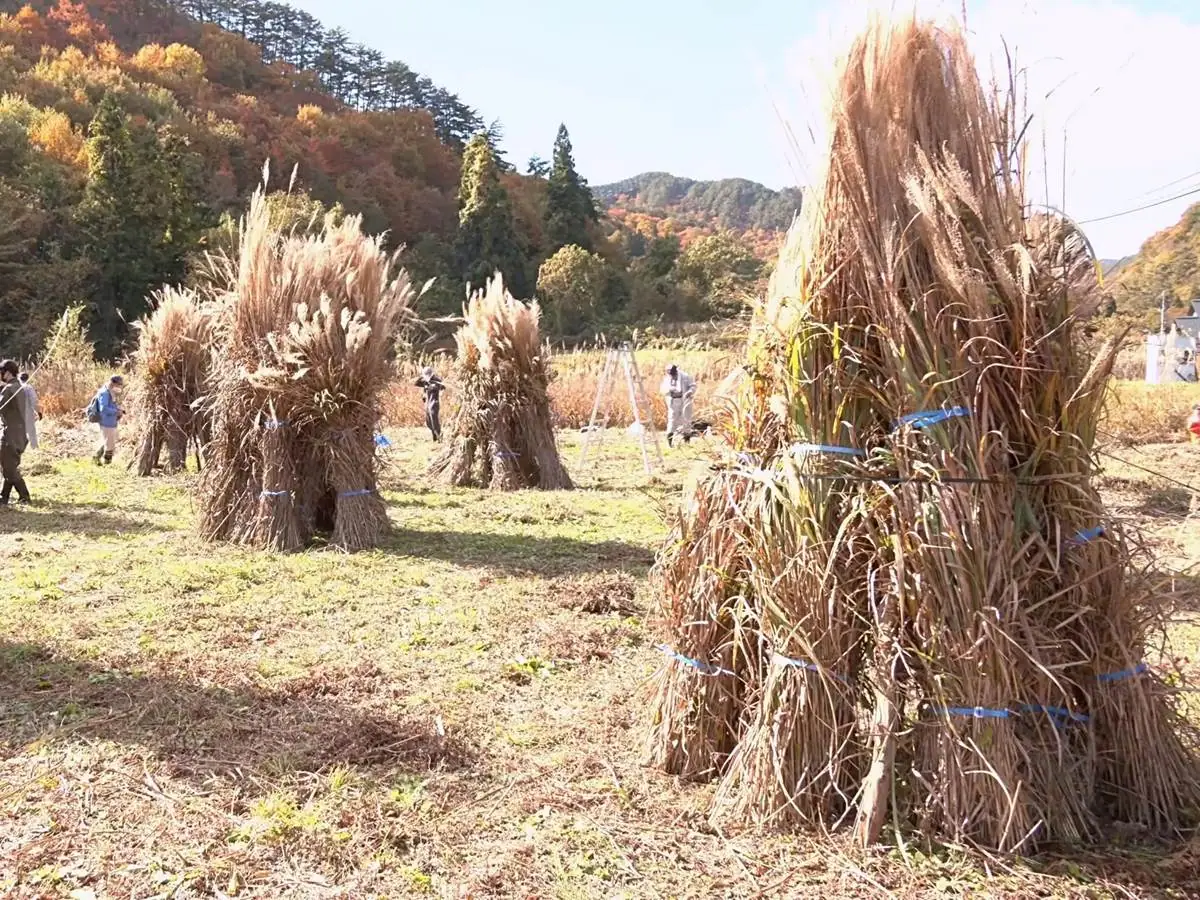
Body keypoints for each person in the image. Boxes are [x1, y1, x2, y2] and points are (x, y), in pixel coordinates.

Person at [0, 359, 31, 505]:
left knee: (8, 467)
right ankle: (4, 497)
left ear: (6, 373)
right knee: (10, 465)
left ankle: (24, 496)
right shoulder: (21, 387)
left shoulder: (9, 389)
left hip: (10, 434)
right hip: (20, 433)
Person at [88, 374, 124, 465]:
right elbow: (103, 408)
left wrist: (119, 409)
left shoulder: (110, 392)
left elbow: (110, 406)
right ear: (113, 383)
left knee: (108, 441)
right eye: (118, 384)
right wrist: (116, 411)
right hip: (106, 421)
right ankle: (107, 463)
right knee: (110, 444)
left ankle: (96, 458)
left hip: (111, 421)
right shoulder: (104, 393)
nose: (119, 386)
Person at [660, 364, 696, 447]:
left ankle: (687, 441)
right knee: (672, 420)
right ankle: (670, 442)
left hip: (684, 400)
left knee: (686, 420)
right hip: (673, 401)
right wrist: (669, 390)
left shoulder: (685, 376)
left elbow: (693, 385)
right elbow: (662, 389)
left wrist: (690, 391)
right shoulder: (667, 378)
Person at [414, 366, 446, 441]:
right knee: (428, 422)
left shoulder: (436, 380)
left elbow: (443, 387)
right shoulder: (425, 381)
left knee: (434, 419)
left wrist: (434, 386)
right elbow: (416, 383)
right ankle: (434, 435)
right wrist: (422, 376)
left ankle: (438, 436)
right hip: (427, 403)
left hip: (434, 402)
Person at [18, 372, 40, 450]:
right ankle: (34, 447)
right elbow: (34, 400)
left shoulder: (13, 387)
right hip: (27, 412)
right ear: (27, 378)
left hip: (16, 413)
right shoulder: (28, 387)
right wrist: (38, 411)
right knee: (31, 430)